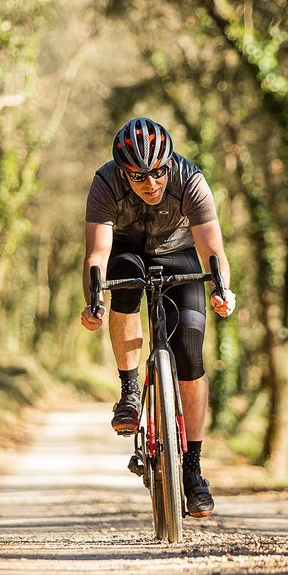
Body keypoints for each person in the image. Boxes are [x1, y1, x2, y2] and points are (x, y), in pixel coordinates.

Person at [79, 116, 236, 518]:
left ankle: (192, 468)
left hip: (178, 252)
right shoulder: (105, 183)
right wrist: (94, 302)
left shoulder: (190, 179)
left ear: (170, 163)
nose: (151, 184)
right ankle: (130, 391)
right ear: (123, 173)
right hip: (127, 251)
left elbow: (212, 248)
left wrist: (221, 289)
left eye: (158, 173)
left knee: (189, 351)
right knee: (125, 285)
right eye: (139, 176)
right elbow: (97, 254)